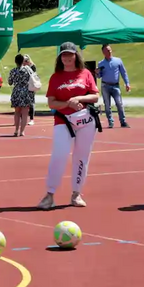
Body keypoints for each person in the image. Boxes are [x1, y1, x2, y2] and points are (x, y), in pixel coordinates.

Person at [39, 42, 100, 210]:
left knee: (82, 157)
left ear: (75, 55)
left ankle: (76, 193)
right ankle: (50, 194)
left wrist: (78, 99)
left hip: (85, 121)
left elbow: (95, 96)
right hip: (63, 121)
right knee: (59, 155)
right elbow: (51, 103)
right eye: (63, 55)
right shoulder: (56, 77)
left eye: (70, 54)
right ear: (60, 57)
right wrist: (68, 103)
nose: (67, 58)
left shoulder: (85, 73)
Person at [97, 45, 130, 128]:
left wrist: (127, 83)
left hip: (115, 86)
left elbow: (123, 72)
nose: (109, 52)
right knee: (107, 105)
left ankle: (123, 121)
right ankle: (110, 122)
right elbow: (99, 76)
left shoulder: (118, 61)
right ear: (103, 52)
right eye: (107, 50)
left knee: (119, 103)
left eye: (110, 50)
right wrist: (97, 72)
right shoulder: (101, 63)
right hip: (105, 85)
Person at [8, 54, 35, 137]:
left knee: (17, 112)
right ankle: (22, 131)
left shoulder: (13, 71)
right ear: (23, 61)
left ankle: (16, 130)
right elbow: (33, 77)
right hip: (26, 92)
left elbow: (10, 82)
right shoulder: (28, 69)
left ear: (15, 61)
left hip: (16, 92)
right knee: (24, 113)